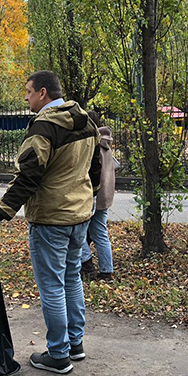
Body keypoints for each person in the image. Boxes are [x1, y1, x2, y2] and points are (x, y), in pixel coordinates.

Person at [0, 71, 101, 375]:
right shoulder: (88, 121)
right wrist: (87, 198)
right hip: (80, 215)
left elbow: (28, 176)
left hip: (51, 219)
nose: (26, 97)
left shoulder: (44, 127)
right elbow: (96, 169)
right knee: (71, 279)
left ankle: (58, 355)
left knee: (53, 287)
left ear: (43, 93)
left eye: (28, 92)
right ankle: (75, 344)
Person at [80, 111, 115, 282]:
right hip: (105, 196)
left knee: (77, 232)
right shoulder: (106, 142)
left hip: (91, 195)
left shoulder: (93, 143)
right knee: (100, 233)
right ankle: (107, 272)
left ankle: (86, 263)